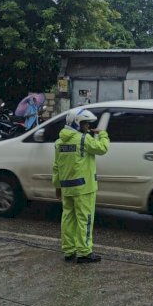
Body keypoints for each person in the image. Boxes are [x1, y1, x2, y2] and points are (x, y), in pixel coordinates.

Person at [53, 107, 110, 263]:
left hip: (67, 187)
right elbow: (103, 148)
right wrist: (102, 134)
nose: (88, 126)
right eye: (85, 123)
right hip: (84, 188)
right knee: (85, 219)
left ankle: (69, 250)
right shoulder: (84, 139)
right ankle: (84, 252)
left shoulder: (59, 142)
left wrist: (57, 186)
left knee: (68, 219)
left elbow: (56, 167)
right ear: (77, 123)